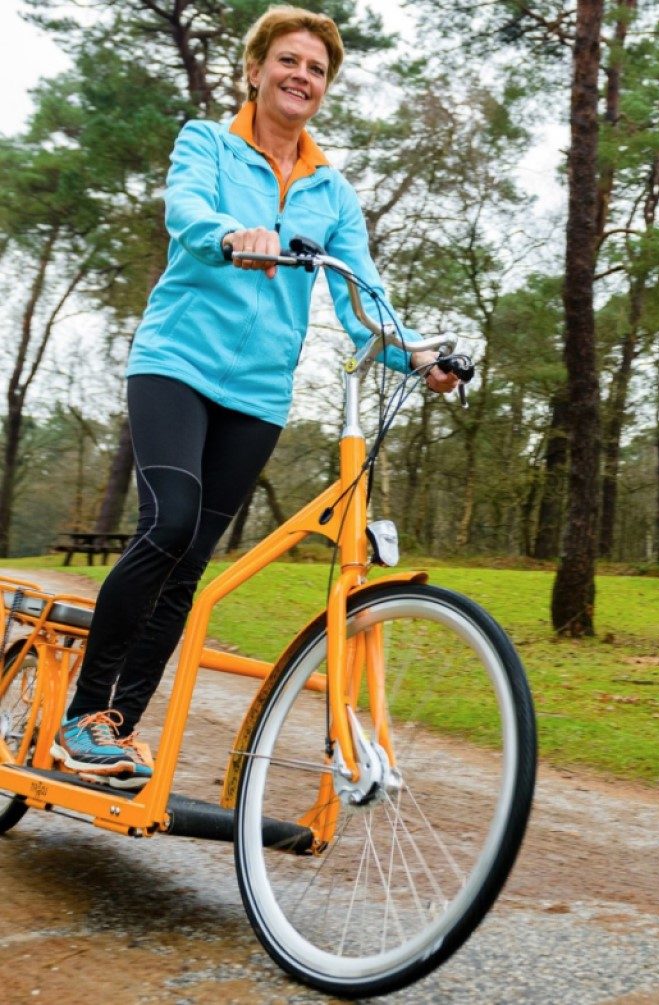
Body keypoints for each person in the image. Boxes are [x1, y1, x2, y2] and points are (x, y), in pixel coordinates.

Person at [50, 5, 457, 790]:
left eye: (317, 69)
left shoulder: (332, 192)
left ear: (324, 88)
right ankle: (80, 714)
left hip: (259, 395)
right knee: (168, 522)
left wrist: (415, 355)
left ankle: (115, 730)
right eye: (290, 61)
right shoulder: (208, 141)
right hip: (176, 363)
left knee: (191, 560)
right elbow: (186, 209)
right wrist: (231, 235)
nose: (302, 76)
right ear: (256, 69)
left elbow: (361, 297)